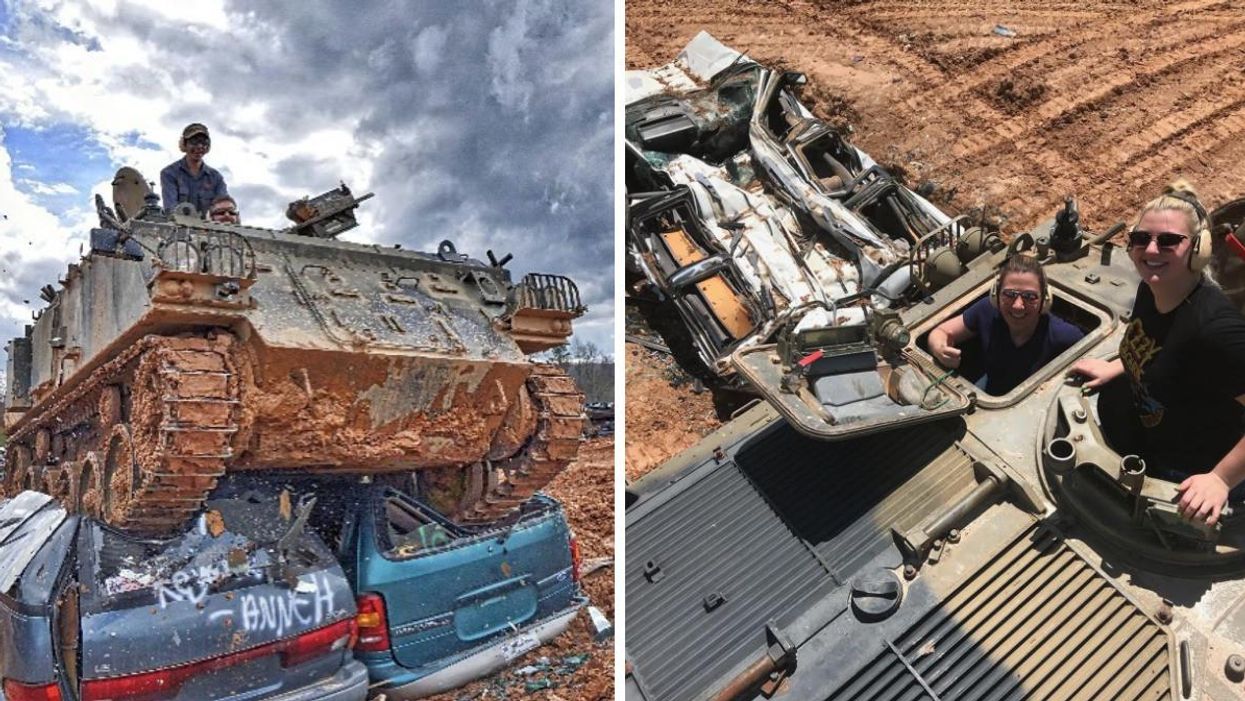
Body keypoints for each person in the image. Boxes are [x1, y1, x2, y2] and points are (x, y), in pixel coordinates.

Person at [1072, 181, 1245, 526]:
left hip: (1192, 469)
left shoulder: (1215, 330)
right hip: (1156, 434)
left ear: (1198, 249)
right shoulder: (1151, 289)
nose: (1151, 250)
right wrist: (1120, 366)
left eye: (1168, 241)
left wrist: (1220, 479)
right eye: (1141, 239)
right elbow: (1160, 344)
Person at [929, 253, 1084, 395]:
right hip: (990, 394)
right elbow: (940, 332)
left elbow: (1094, 360)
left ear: (1045, 300)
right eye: (1009, 294)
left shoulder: (1063, 335)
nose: (1018, 305)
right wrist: (939, 348)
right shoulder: (986, 311)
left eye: (1030, 296)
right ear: (995, 295)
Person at [159, 123, 229, 215]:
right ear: (184, 144)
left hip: (209, 228)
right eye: (194, 141)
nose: (199, 146)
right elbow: (171, 209)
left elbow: (224, 208)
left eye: (204, 142)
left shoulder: (216, 178)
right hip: (179, 227)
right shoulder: (169, 173)